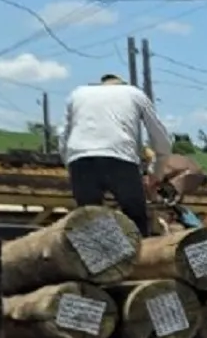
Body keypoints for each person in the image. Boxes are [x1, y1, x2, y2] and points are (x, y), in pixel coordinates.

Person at [59, 73, 172, 236]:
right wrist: (155, 172)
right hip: (120, 159)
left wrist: (70, 166)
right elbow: (160, 138)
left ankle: (94, 258)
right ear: (122, 84)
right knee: (135, 218)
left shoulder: (77, 94)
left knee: (89, 221)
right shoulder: (134, 93)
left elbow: (63, 137)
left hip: (80, 159)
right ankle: (139, 256)